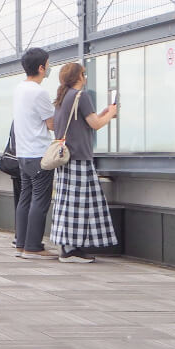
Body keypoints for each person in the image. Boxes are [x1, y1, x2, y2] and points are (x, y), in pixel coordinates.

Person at [49, 62, 119, 263]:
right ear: (79, 76)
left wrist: (104, 112)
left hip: (65, 159)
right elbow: (95, 124)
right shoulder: (81, 96)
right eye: (84, 74)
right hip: (79, 157)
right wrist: (111, 114)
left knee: (66, 203)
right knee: (79, 205)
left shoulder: (63, 98)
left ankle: (67, 246)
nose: (85, 77)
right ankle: (71, 250)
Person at [13, 47, 56, 259]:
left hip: (23, 153)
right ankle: (33, 247)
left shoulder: (20, 88)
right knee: (40, 200)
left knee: (25, 198)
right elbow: (51, 123)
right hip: (39, 153)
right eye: (48, 64)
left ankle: (21, 243)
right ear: (41, 67)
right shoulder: (39, 92)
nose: (49, 68)